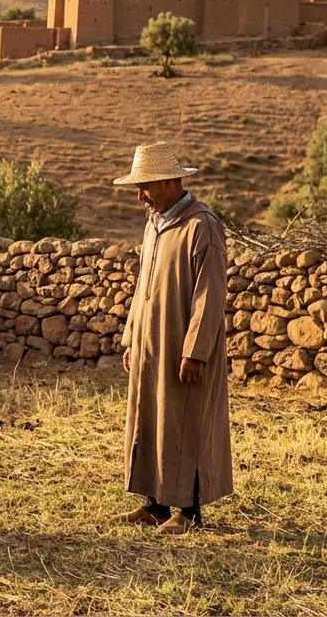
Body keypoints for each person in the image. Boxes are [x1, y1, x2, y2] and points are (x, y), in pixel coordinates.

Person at [111, 142, 233, 535]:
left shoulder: (203, 226)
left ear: (168, 182)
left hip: (182, 347)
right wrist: (132, 337)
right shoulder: (155, 222)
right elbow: (142, 285)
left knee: (185, 421)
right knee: (153, 418)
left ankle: (190, 513)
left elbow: (210, 295)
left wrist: (195, 352)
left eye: (145, 186)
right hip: (149, 345)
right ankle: (157, 505)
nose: (139, 194)